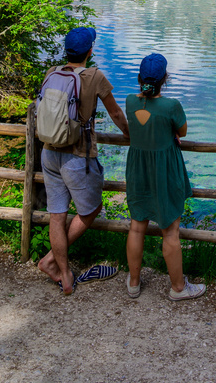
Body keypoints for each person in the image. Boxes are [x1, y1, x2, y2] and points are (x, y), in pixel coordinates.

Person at [38, 26, 129, 295]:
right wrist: (129, 134)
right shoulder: (94, 76)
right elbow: (115, 112)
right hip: (77, 155)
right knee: (90, 210)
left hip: (49, 151)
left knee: (57, 214)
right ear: (90, 51)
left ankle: (64, 274)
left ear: (67, 51)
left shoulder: (52, 73)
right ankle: (52, 260)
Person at [125, 53, 205, 301]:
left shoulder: (129, 102)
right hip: (164, 171)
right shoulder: (171, 106)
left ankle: (134, 283)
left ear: (139, 78)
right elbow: (182, 129)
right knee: (170, 230)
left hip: (138, 171)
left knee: (137, 226)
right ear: (165, 79)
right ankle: (178, 288)